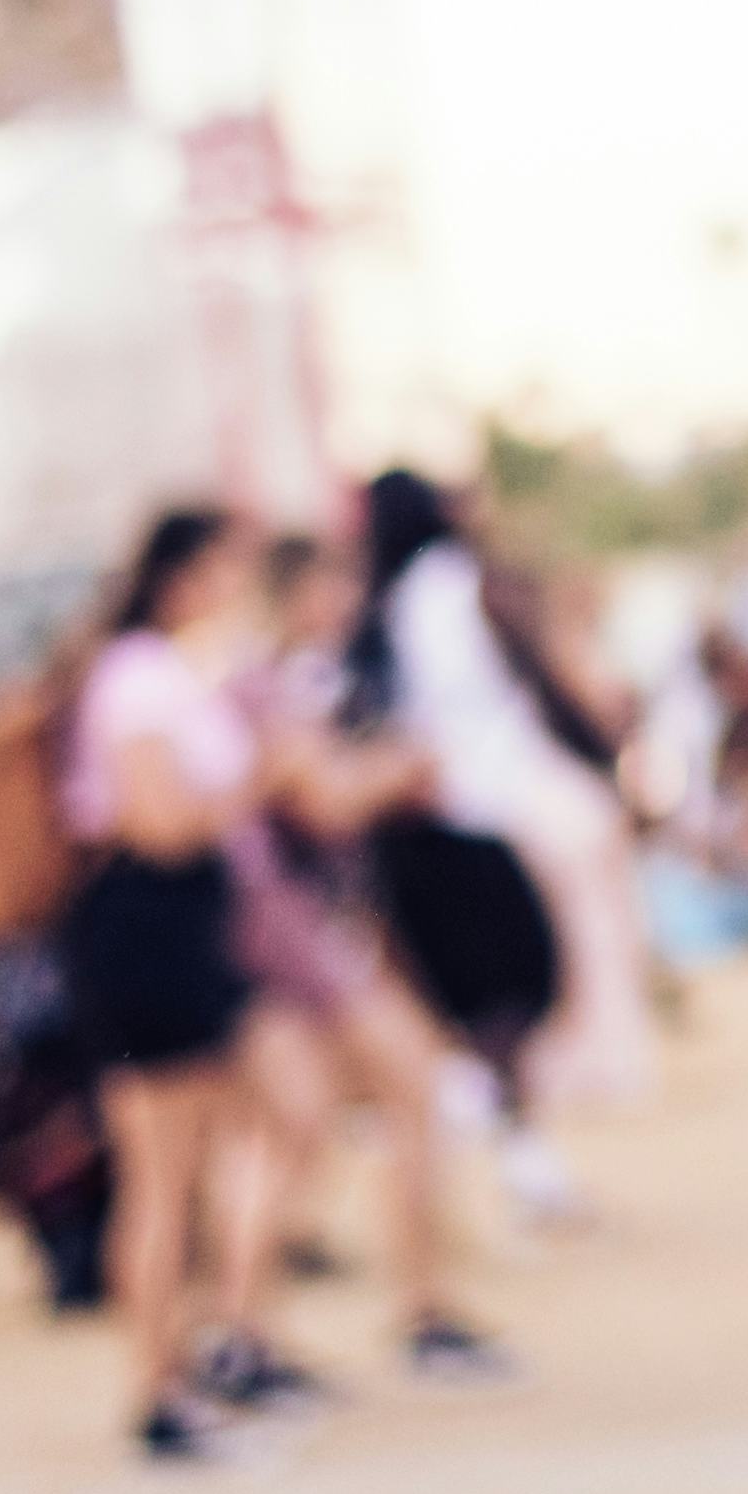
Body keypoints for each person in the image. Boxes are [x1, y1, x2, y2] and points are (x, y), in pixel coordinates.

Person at [248, 528, 509, 1385]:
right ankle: (410, 1313)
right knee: (345, 1116)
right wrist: (398, 768)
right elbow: (324, 802)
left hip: (302, 940)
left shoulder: (294, 681)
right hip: (298, 943)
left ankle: (259, 1331)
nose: (347, 603)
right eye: (330, 585)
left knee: (311, 1128)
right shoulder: (281, 685)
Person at [69, 510, 301, 1461]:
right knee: (162, 1181)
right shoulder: (139, 679)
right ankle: (158, 1391)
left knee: (204, 1162)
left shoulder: (159, 675)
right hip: (149, 934)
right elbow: (160, 824)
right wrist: (262, 780)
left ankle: (200, 1358)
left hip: (174, 935)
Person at [357, 463, 621, 1239]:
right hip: (469, 813)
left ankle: (514, 1156)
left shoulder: (385, 602)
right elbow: (499, 690)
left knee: (476, 1005)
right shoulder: (450, 586)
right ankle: (516, 1159)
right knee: (512, 993)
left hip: (422, 817)